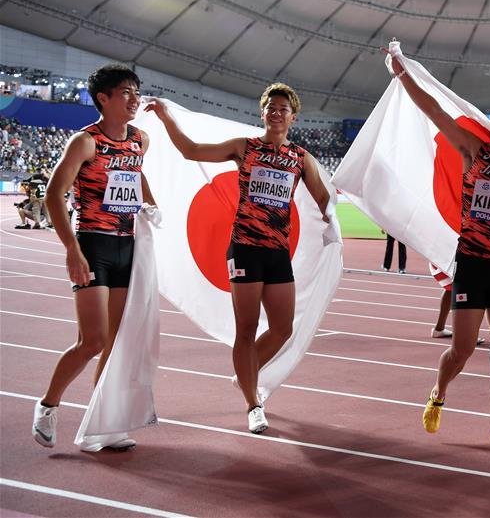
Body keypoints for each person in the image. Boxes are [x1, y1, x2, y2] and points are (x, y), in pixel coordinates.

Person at [145, 82, 331, 434]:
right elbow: (191, 150)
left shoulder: (300, 158)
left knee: (282, 328)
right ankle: (252, 403)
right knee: (245, 330)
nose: (276, 113)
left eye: (283, 109)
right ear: (262, 113)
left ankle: (245, 375)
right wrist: (167, 117)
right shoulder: (244, 148)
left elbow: (323, 198)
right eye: (271, 108)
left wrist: (331, 222)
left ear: (293, 117)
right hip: (245, 248)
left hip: (277, 251)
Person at [387, 51, 490, 454]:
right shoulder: (476, 151)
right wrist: (404, 76)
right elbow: (436, 112)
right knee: (464, 348)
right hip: (471, 263)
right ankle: (438, 392)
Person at [32, 64, 156, 450]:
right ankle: (48, 405)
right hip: (93, 246)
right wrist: (71, 249)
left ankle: (99, 425)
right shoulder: (85, 142)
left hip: (127, 246)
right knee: (92, 341)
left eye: (137, 92)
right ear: (103, 98)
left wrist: (151, 205)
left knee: (115, 342)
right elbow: (54, 195)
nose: (134, 99)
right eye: (125, 93)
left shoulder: (140, 139)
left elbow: (135, 176)